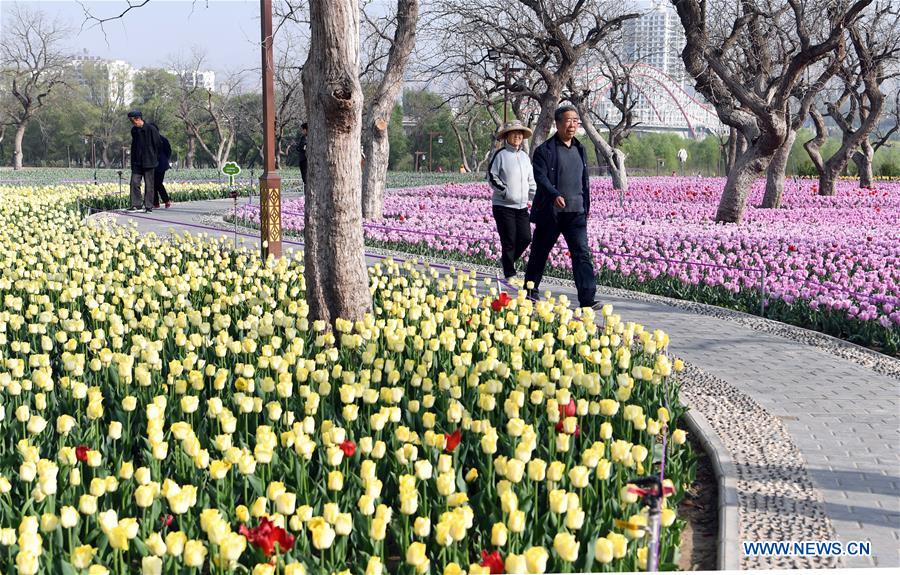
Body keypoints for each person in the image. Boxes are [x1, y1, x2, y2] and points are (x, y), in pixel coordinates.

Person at [524, 104, 599, 309]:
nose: (573, 124)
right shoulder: (544, 151)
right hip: (551, 214)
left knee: (582, 254)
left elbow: (584, 181)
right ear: (557, 124)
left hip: (576, 213)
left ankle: (587, 299)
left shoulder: (580, 148)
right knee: (540, 253)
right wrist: (554, 194)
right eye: (568, 120)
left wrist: (586, 207)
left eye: (576, 121)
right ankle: (530, 293)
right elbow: (541, 177)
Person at [488, 119, 536, 280]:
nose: (517, 136)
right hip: (503, 205)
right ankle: (509, 273)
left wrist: (537, 197)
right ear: (507, 136)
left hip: (522, 206)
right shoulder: (500, 155)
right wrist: (505, 191)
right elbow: (491, 176)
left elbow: (531, 180)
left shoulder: (524, 156)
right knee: (509, 239)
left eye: (520, 133)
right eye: (514, 133)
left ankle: (506, 261)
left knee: (525, 238)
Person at [126, 110, 161, 213]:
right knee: (134, 183)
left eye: (132, 121)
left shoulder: (151, 129)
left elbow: (158, 144)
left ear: (138, 119)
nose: (132, 124)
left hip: (149, 162)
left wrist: (153, 157)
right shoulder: (134, 131)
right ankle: (136, 205)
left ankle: (148, 206)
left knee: (149, 184)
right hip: (137, 162)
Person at [152, 125, 172, 209]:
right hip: (155, 164)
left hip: (160, 164)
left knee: (157, 183)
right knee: (153, 184)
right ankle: (156, 203)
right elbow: (169, 151)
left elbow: (168, 151)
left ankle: (166, 200)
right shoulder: (162, 139)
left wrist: (164, 159)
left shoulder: (161, 139)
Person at [298, 122, 308, 188]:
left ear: (305, 130)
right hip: (302, 159)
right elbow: (299, 147)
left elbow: (301, 147)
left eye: (302, 130)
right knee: (304, 178)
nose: (302, 131)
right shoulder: (303, 137)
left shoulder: (306, 138)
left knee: (306, 177)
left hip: (305, 160)